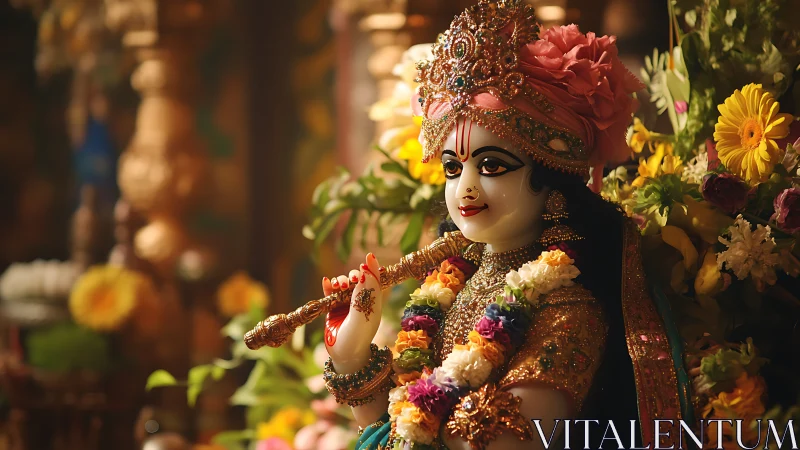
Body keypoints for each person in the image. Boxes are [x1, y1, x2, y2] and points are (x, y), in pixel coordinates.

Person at [321, 1, 681, 448]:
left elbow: (499, 440)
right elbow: (391, 423)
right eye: (453, 168)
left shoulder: (568, 311)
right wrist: (352, 350)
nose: (464, 189)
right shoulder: (451, 288)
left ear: (551, 179)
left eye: (491, 166)